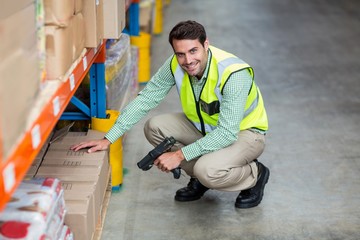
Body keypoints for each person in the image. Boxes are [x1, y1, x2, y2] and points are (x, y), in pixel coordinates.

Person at [71, 20, 270, 209]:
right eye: (180, 54)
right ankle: (200, 178)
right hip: (207, 128)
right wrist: (109, 138)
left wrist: (179, 155)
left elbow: (227, 133)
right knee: (155, 127)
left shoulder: (233, 74)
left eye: (193, 51)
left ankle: (254, 174)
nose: (188, 60)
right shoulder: (175, 64)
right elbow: (147, 98)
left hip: (245, 133)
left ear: (206, 44)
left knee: (207, 170)